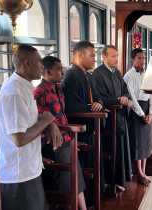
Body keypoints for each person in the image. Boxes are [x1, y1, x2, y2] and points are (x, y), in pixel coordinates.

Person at [0, 44, 55, 210]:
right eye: (40, 62)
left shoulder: (24, 87)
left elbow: (27, 122)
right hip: (19, 175)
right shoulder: (14, 91)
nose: (42, 66)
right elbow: (19, 139)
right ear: (27, 63)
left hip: (28, 168)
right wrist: (44, 122)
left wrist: (49, 123)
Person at [34, 56, 88, 210]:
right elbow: (38, 119)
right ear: (49, 71)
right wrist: (51, 125)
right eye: (59, 69)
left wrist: (70, 139)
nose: (63, 72)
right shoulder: (39, 92)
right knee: (69, 169)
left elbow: (62, 116)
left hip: (64, 139)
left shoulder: (59, 89)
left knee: (75, 168)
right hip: (49, 143)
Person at [61, 41, 105, 208]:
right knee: (85, 166)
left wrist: (99, 104)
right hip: (80, 131)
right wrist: (90, 108)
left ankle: (94, 200)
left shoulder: (88, 74)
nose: (95, 59)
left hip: (92, 128)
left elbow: (98, 96)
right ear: (80, 55)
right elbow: (70, 105)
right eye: (92, 55)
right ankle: (85, 202)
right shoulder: (72, 75)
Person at [91, 45, 133, 192]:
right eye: (113, 56)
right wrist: (118, 101)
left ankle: (118, 181)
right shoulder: (97, 74)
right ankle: (110, 183)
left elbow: (125, 91)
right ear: (104, 57)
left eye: (117, 55)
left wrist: (125, 98)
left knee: (121, 150)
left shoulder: (117, 73)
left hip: (120, 118)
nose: (116, 59)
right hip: (108, 120)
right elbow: (99, 98)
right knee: (111, 149)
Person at [123, 48, 152, 185]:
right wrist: (142, 114)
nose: (142, 61)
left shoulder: (149, 74)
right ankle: (139, 173)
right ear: (132, 60)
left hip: (147, 109)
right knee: (138, 143)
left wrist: (151, 113)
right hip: (136, 111)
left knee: (146, 143)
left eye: (143, 58)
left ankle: (144, 171)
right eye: (139, 58)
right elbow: (131, 97)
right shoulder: (128, 76)